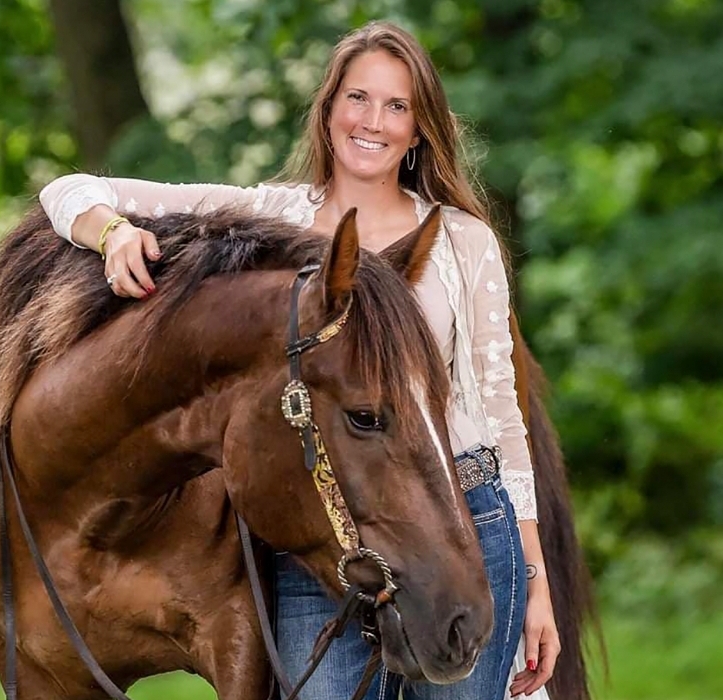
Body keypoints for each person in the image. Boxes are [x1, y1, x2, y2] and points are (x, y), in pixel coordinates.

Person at [37, 20, 559, 700]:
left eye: (396, 106)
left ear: (418, 129)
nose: (372, 121)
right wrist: (111, 235)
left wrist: (536, 580)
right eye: (357, 97)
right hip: (329, 545)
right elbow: (70, 190)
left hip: (461, 523)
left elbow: (501, 414)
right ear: (328, 109)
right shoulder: (272, 221)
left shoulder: (461, 242)